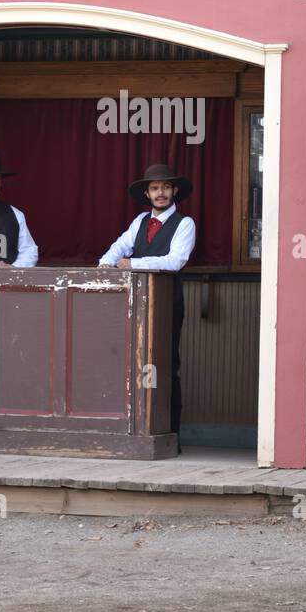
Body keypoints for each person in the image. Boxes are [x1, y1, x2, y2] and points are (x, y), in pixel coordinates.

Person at [98, 163, 196, 450]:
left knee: (166, 365)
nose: (161, 192)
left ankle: (170, 436)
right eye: (155, 188)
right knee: (134, 363)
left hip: (167, 302)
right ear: (148, 193)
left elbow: (175, 261)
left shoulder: (184, 223)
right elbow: (119, 247)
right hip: (137, 303)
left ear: (174, 190)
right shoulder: (140, 221)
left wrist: (133, 264)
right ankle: (136, 435)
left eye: (166, 187)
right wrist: (105, 265)